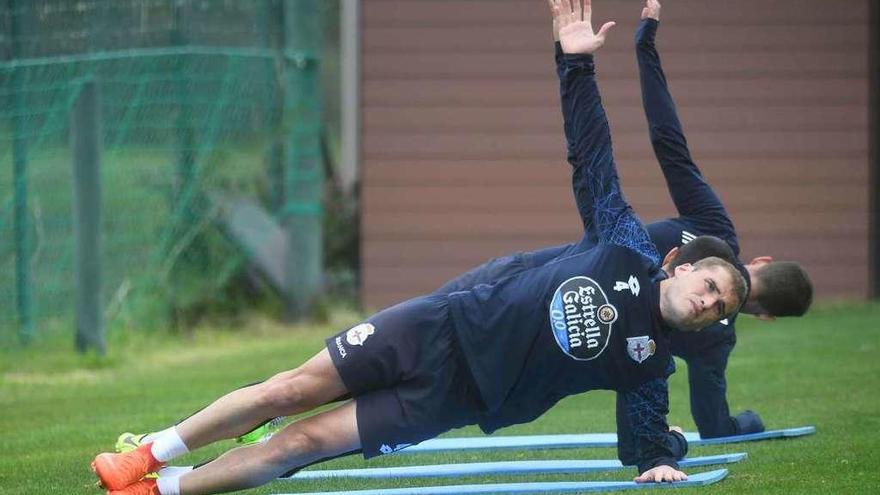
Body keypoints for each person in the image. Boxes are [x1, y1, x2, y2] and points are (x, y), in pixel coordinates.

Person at [91, 1, 747, 493]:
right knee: (286, 389)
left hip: (459, 395)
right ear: (680, 264)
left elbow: (644, 434)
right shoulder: (625, 244)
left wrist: (662, 459)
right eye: (712, 288)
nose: (709, 304)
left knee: (307, 438)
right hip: (440, 323)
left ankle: (158, 489)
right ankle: (146, 454)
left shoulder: (648, 362)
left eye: (719, 311)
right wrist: (575, 62)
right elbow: (593, 160)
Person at [434, 0, 813, 465]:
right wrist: (742, 425)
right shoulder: (712, 331)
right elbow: (706, 422)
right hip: (525, 370)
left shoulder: (715, 229)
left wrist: (646, 46)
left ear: (763, 262)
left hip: (526, 277)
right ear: (767, 317)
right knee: (430, 390)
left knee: (411, 335)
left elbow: (668, 140)